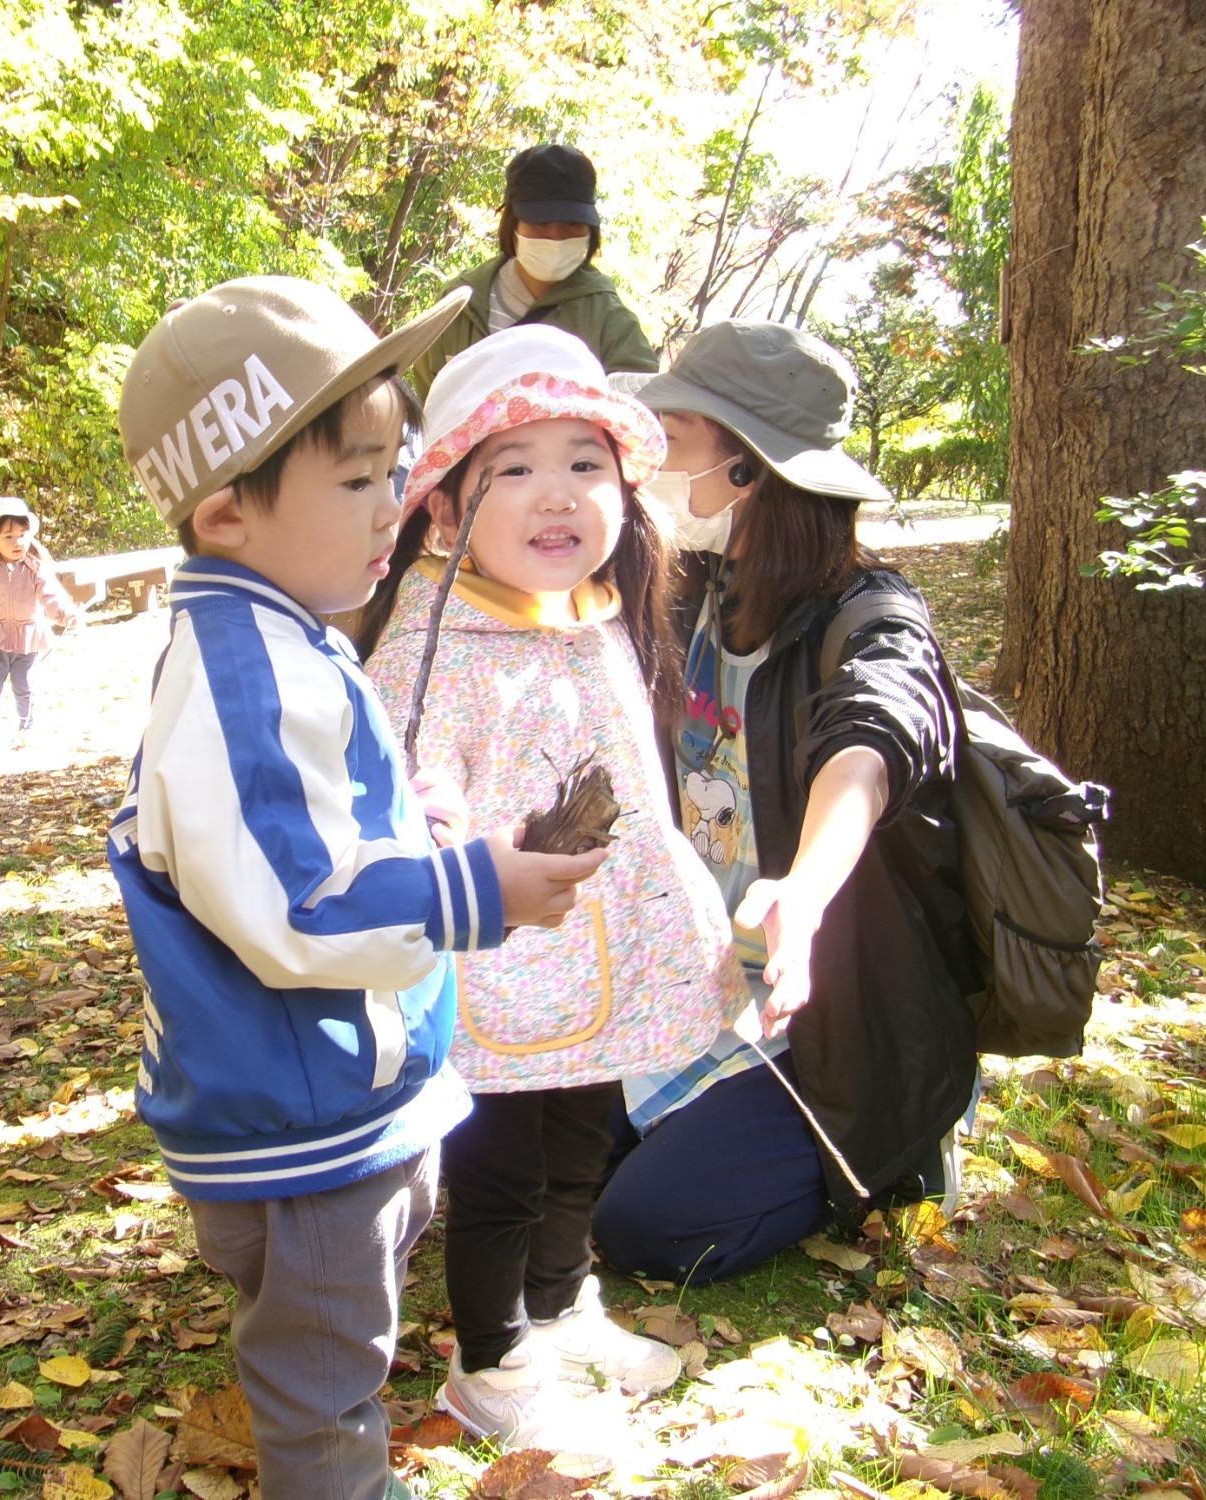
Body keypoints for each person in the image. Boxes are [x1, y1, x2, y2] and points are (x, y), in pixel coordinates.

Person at [109, 277, 609, 1500]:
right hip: (305, 1130)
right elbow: (298, 905)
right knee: (323, 1385)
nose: (395, 503)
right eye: (356, 479)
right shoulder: (246, 671)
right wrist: (467, 889)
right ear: (227, 513)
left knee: (339, 1343)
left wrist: (418, 825)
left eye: (396, 470)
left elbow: (304, 829)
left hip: (331, 1101)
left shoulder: (280, 631)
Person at [355, 326, 744, 1450]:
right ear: (443, 509)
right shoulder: (433, 638)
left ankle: (562, 1304)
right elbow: (400, 781)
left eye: (584, 461)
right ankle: (490, 1358)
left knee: (587, 1130)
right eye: (512, 468)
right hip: (499, 955)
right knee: (500, 1162)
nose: (554, 494)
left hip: (603, 946)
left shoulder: (600, 617)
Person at [591, 319, 982, 1286]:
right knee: (540, 1143)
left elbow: (868, 745)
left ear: (749, 470)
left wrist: (802, 893)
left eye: (674, 434)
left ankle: (896, 1150)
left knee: (645, 1223)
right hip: (705, 982)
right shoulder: (696, 600)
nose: (650, 460)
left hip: (836, 1014)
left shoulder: (872, 619)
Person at [410, 144, 656, 394]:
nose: (555, 237)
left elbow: (642, 413)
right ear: (512, 223)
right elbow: (426, 410)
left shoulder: (610, 322)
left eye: (572, 223)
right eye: (540, 222)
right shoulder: (459, 308)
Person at [0, 496, 80, 748]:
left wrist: (66, 614)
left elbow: (51, 595)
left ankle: (27, 726)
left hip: (27, 639)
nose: (17, 542)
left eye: (22, 535)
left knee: (26, 685)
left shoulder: (35, 569)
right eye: (8, 537)